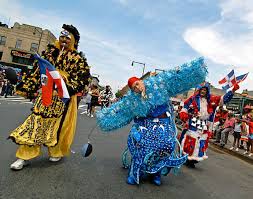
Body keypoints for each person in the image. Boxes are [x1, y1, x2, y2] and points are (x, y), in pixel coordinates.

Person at [97, 57, 207, 185]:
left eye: (138, 83)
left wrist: (196, 69)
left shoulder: (158, 83)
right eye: (134, 87)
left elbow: (176, 76)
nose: (137, 87)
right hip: (146, 125)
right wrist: (103, 118)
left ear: (141, 81)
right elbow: (119, 110)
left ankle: (157, 173)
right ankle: (135, 173)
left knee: (166, 146)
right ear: (133, 90)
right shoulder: (132, 100)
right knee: (142, 144)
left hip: (164, 124)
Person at [8, 24, 90, 170]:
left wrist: (65, 83)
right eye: (62, 36)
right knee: (35, 122)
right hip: (46, 96)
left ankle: (56, 151)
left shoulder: (78, 59)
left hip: (63, 99)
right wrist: (27, 87)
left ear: (73, 41)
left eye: (67, 38)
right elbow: (36, 72)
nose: (64, 40)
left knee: (59, 126)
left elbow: (82, 79)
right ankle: (23, 156)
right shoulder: (49, 53)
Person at [179, 82, 238, 168]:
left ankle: (195, 158)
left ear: (207, 91)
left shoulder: (211, 99)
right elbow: (185, 107)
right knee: (191, 139)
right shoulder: (193, 98)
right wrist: (183, 113)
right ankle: (187, 157)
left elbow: (223, 99)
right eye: (202, 89)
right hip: (193, 122)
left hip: (204, 124)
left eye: (205, 90)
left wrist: (232, 90)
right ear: (199, 90)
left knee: (201, 140)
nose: (203, 91)